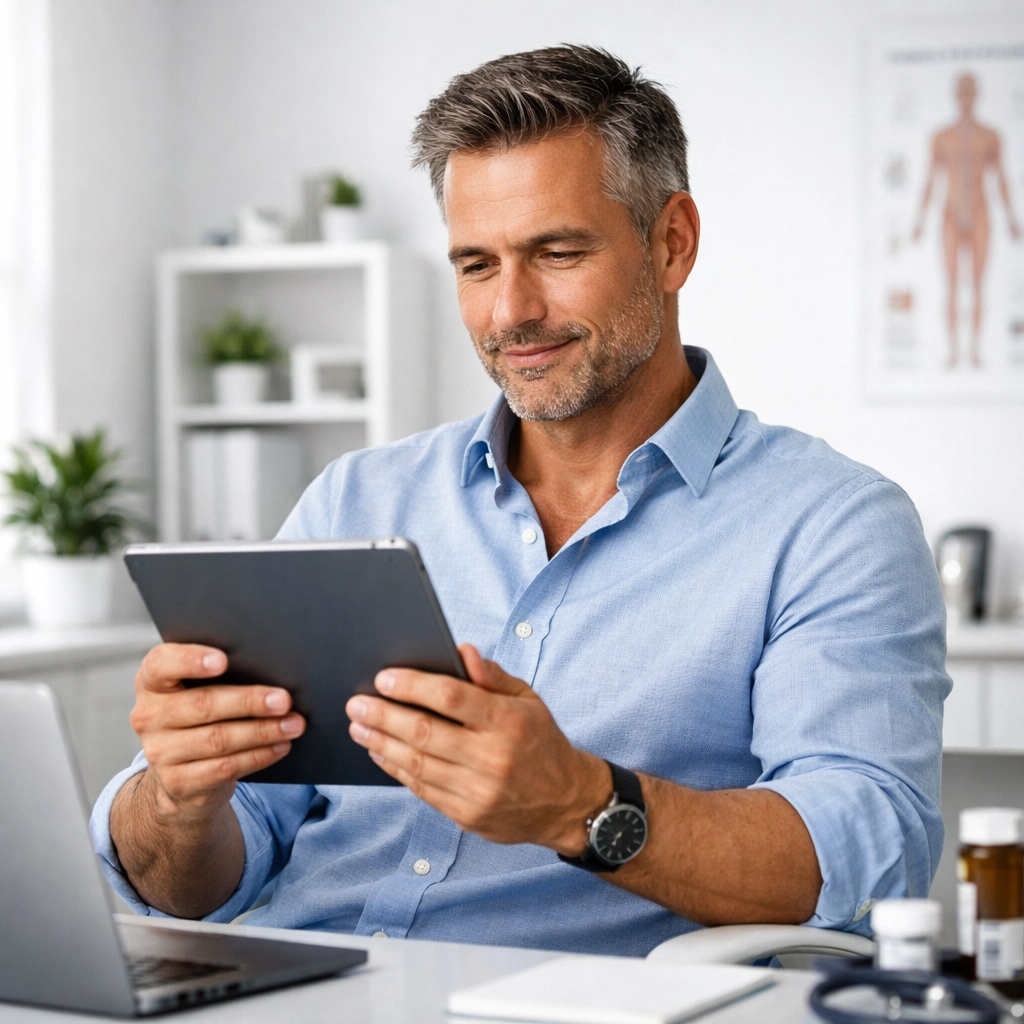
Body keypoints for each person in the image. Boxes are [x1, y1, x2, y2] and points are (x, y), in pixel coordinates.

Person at [92, 46, 948, 957]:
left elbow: (869, 851)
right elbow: (191, 884)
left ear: (672, 242)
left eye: (558, 252)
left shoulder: (833, 526)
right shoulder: (357, 500)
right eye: (476, 264)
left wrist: (580, 805)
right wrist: (179, 800)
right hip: (295, 989)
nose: (510, 312)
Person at [913, 72, 1021, 368]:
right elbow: (931, 179)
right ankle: (953, 352)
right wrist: (920, 219)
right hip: (950, 214)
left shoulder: (990, 136)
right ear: (955, 94)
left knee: (977, 284)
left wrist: (1011, 217)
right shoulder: (941, 137)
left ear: (977, 94)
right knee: (951, 284)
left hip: (980, 213)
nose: (966, 97)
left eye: (970, 91)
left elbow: (1000, 177)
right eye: (961, 91)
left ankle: (974, 351)